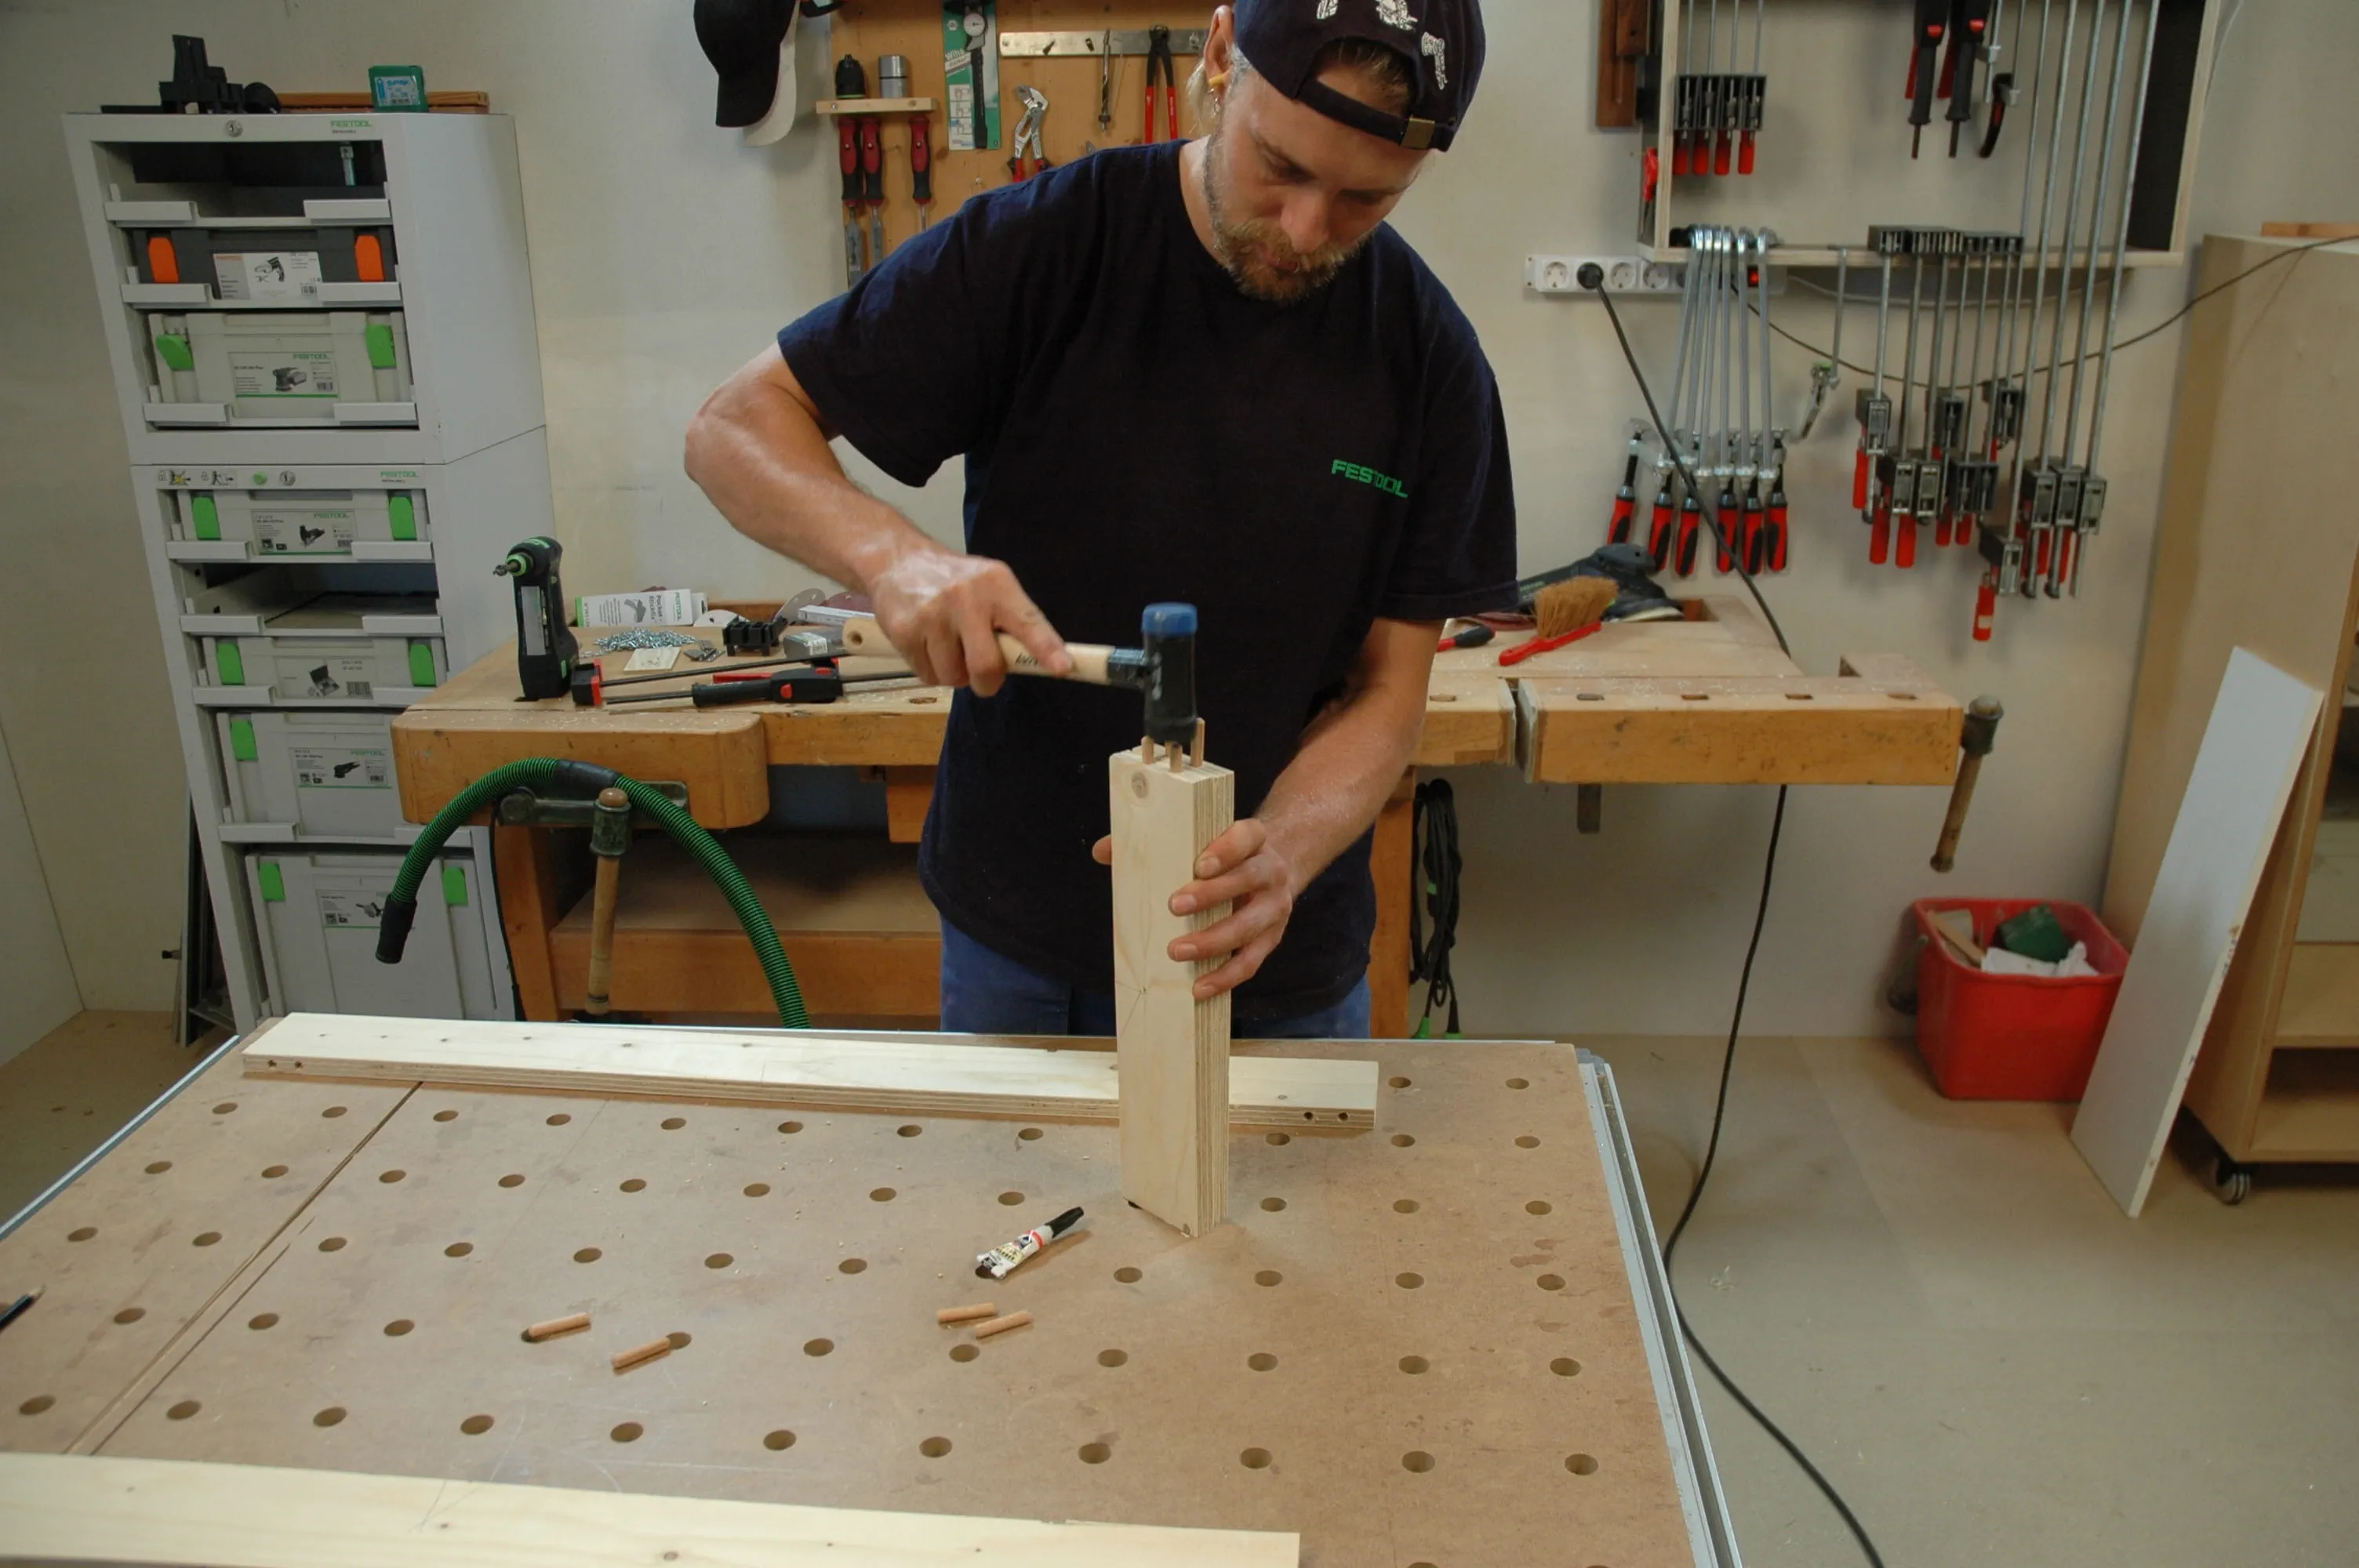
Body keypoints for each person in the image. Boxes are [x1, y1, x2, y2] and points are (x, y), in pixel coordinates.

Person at [685, 0, 1514, 1040]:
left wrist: (1284, 852)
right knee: (1014, 1161)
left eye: (1364, 198)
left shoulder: (1430, 359)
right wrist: (895, 559)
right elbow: (733, 428)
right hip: (1019, 939)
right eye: (1281, 167)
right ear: (1222, 55)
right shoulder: (1044, 245)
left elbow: (1388, 693)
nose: (1306, 231)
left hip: (1271, 952)